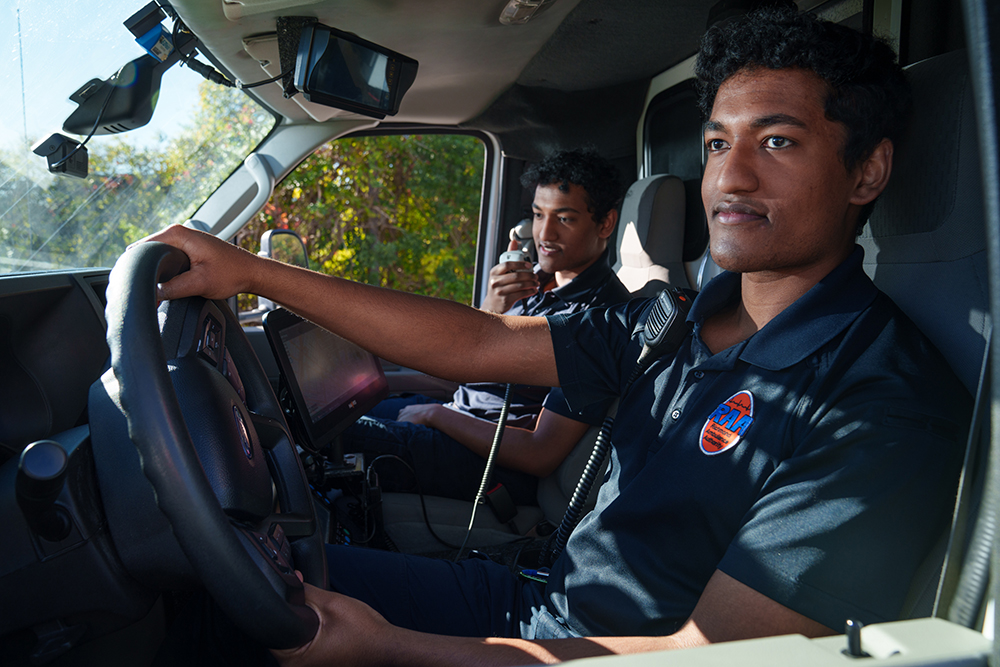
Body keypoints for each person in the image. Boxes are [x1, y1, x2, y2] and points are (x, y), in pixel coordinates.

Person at [146, 5, 972, 664]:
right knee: (208, 584)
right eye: (719, 142)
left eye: (778, 141)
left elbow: (708, 658)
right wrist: (251, 273)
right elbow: (477, 343)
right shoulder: (681, 316)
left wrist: (390, 649)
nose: (731, 175)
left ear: (867, 172)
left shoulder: (882, 405)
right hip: (531, 597)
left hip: (589, 649)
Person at [341, 148, 631, 506]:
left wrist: (436, 415)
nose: (544, 233)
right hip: (460, 415)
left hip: (492, 461)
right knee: (338, 410)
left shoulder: (601, 319)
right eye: (538, 215)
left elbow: (539, 453)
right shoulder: (534, 282)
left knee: (336, 438)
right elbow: (471, 372)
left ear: (605, 223)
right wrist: (493, 309)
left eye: (565, 219)